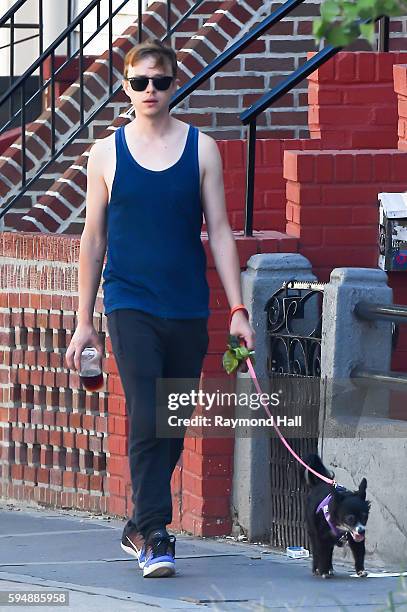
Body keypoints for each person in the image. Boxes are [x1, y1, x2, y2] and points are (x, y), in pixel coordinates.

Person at [65, 38, 255, 578]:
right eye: (140, 82)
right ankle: (155, 533)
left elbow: (219, 231)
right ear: (126, 87)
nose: (150, 90)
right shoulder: (105, 153)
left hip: (188, 307)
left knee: (171, 419)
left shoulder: (202, 150)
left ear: (175, 86)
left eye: (161, 81)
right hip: (130, 303)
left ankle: (137, 524)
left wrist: (237, 308)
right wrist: (84, 324)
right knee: (149, 411)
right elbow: (93, 240)